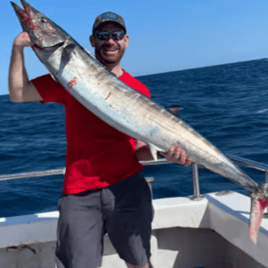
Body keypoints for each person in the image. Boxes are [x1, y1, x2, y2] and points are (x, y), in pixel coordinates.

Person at [8, 11, 192, 268]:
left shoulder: (139, 90)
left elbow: (141, 149)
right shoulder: (66, 78)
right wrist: (18, 48)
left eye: (116, 35)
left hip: (128, 187)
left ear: (125, 40)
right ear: (92, 41)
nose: (110, 40)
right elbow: (18, 94)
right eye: (102, 35)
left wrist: (164, 154)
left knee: (140, 263)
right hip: (79, 192)